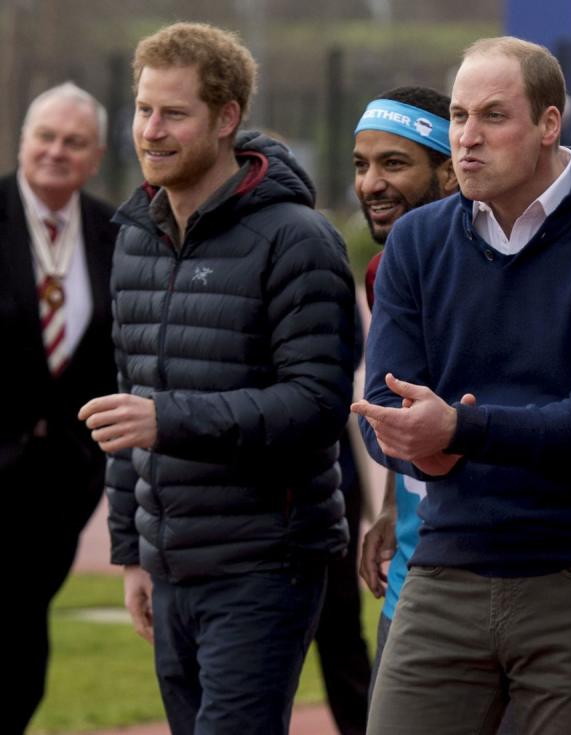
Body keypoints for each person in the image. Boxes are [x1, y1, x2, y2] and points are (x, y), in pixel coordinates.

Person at [352, 36, 571, 734]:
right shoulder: (416, 243)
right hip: (444, 568)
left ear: (549, 125)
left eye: (493, 117)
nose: (466, 139)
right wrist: (418, 450)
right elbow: (383, 404)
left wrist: (460, 433)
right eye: (460, 117)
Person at [77, 22, 355, 734]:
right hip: (170, 566)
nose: (151, 130)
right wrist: (132, 551)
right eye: (143, 110)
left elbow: (317, 404)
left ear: (227, 118)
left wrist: (167, 419)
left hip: (268, 563)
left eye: (174, 113)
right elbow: (125, 402)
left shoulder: (298, 238)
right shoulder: (135, 234)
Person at [2, 82, 117, 734]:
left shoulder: (114, 232)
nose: (55, 151)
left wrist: (89, 460)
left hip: (61, 484)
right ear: (22, 140)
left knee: (24, 638)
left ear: (96, 155)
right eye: (45, 136)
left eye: (73, 142)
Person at [351, 86, 458, 689]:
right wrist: (393, 504)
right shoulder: (380, 271)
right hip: (412, 573)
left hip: (510, 576)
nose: (371, 184)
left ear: (449, 172)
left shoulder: (493, 260)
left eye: (394, 163)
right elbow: (398, 396)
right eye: (362, 166)